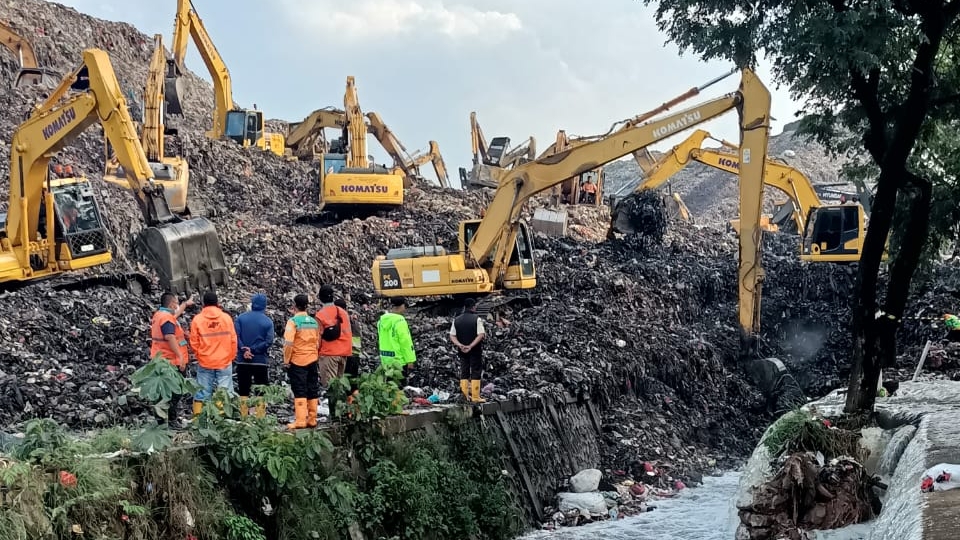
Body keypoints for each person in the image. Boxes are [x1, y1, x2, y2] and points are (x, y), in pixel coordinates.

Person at [189, 291, 238, 417]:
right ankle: (222, 419)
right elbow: (233, 339)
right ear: (217, 303)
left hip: (205, 361)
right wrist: (230, 357)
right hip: (224, 361)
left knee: (202, 390)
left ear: (203, 304)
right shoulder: (226, 318)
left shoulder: (197, 320)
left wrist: (200, 355)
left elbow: (194, 342)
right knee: (224, 391)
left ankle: (199, 419)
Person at [149, 292, 194, 428]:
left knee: (164, 392)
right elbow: (170, 336)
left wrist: (185, 304)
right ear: (171, 304)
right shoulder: (167, 319)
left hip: (160, 359)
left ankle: (163, 420)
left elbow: (174, 316)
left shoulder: (160, 315)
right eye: (176, 302)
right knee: (175, 392)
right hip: (170, 361)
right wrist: (180, 356)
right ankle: (171, 421)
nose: (177, 305)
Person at [234, 293, 274, 418]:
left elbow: (236, 336)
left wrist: (244, 350)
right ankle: (260, 416)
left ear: (252, 304)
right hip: (260, 360)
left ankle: (243, 417)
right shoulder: (267, 322)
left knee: (243, 388)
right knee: (260, 389)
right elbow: (269, 341)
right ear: (264, 306)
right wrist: (254, 349)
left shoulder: (241, 318)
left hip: (242, 360)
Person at [283, 294, 320, 429]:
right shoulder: (313, 322)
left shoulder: (293, 322)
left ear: (294, 306)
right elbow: (317, 342)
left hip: (298, 360)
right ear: (307, 306)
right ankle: (312, 419)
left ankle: (300, 421)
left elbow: (288, 343)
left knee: (300, 389)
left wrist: (286, 360)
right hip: (312, 360)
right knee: (312, 388)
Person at [449, 298, 487, 403]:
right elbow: (481, 335)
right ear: (473, 306)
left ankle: (465, 396)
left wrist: (460, 345)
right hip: (475, 350)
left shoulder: (456, 320)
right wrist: (471, 346)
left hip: (462, 350)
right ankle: (475, 396)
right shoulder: (477, 319)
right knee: (475, 370)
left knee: (464, 370)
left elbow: (452, 335)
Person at [316, 285, 352, 391]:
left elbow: (317, 338)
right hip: (344, 353)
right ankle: (340, 407)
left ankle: (333, 407)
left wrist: (315, 354)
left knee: (330, 388)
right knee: (339, 387)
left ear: (320, 298)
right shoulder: (343, 313)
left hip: (329, 354)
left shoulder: (320, 315)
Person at [378, 297, 416, 386]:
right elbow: (405, 342)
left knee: (389, 386)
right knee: (399, 388)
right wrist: (410, 360)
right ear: (402, 306)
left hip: (385, 359)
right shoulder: (400, 321)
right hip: (398, 361)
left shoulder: (381, 321)